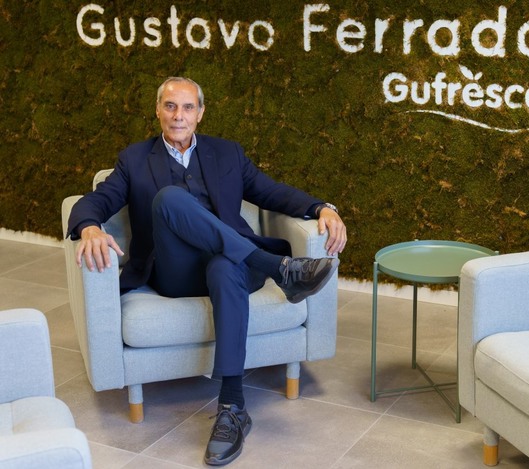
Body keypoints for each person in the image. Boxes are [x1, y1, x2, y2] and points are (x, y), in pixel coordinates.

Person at [67, 77, 347, 466]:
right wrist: (89, 227)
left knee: (224, 266)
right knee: (169, 199)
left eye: (187, 107)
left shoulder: (227, 153)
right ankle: (277, 269)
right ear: (158, 110)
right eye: (170, 106)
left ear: (200, 113)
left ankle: (232, 408)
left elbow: (271, 191)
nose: (178, 115)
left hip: (232, 267)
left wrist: (322, 207)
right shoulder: (134, 159)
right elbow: (95, 200)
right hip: (176, 272)